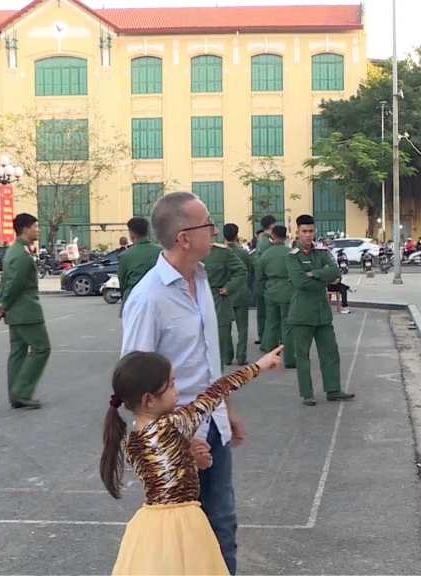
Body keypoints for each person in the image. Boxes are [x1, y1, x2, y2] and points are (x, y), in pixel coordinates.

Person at [121, 191, 249, 575]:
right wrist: (175, 443)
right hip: (178, 436)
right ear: (184, 238)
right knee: (180, 536)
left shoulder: (202, 278)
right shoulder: (148, 299)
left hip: (213, 427)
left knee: (221, 525)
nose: (214, 230)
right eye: (207, 224)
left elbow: (208, 362)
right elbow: (133, 384)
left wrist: (227, 411)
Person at [102, 347, 283, 575]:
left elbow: (165, 475)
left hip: (150, 527)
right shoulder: (176, 425)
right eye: (171, 385)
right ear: (149, 399)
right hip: (184, 523)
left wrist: (188, 460)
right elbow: (216, 392)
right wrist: (261, 365)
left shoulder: (131, 442)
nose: (177, 391)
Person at [286, 214, 356, 406]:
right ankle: (307, 393)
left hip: (322, 313)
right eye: (304, 231)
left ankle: (333, 389)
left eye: (311, 231)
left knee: (330, 352)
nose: (308, 235)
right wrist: (324, 277)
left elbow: (336, 272)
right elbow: (300, 282)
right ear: (297, 232)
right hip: (302, 313)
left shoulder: (321, 251)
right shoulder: (292, 257)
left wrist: (314, 274)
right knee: (303, 356)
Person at [0, 213, 49, 410]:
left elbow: (5, 280)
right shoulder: (21, 254)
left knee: (18, 351)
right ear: (25, 229)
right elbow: (14, 283)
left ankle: (16, 394)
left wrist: (0, 302)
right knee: (41, 348)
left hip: (16, 311)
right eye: (35, 226)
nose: (38, 229)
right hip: (26, 310)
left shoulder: (14, 250)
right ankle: (23, 392)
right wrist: (3, 304)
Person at [201, 234, 248, 370]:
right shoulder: (184, 251)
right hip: (191, 300)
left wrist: (229, 287)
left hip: (216, 299)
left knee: (218, 346)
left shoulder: (221, 252)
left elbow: (241, 271)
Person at [258, 225, 297, 368]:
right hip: (288, 291)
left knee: (271, 324)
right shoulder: (291, 253)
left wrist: (265, 289)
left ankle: (270, 357)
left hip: (271, 291)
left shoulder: (265, 254)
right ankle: (290, 359)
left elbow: (259, 277)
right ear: (286, 237)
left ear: (272, 237)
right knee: (287, 325)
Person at [222, 224, 254, 366]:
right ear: (237, 236)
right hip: (241, 291)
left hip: (225, 292)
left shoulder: (220, 253)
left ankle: (226, 357)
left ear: (223, 236)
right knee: (243, 327)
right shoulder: (244, 253)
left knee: (225, 327)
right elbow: (249, 271)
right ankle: (241, 356)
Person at [117, 217, 162, 313]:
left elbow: (123, 281)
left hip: (133, 301)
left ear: (131, 234)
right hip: (158, 299)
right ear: (148, 231)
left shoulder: (125, 255)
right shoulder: (161, 251)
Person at [253, 215, 277, 346]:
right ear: (272, 225)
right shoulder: (267, 242)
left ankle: (262, 336)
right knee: (268, 313)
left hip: (259, 281)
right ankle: (266, 339)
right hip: (265, 282)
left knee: (262, 312)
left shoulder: (261, 241)